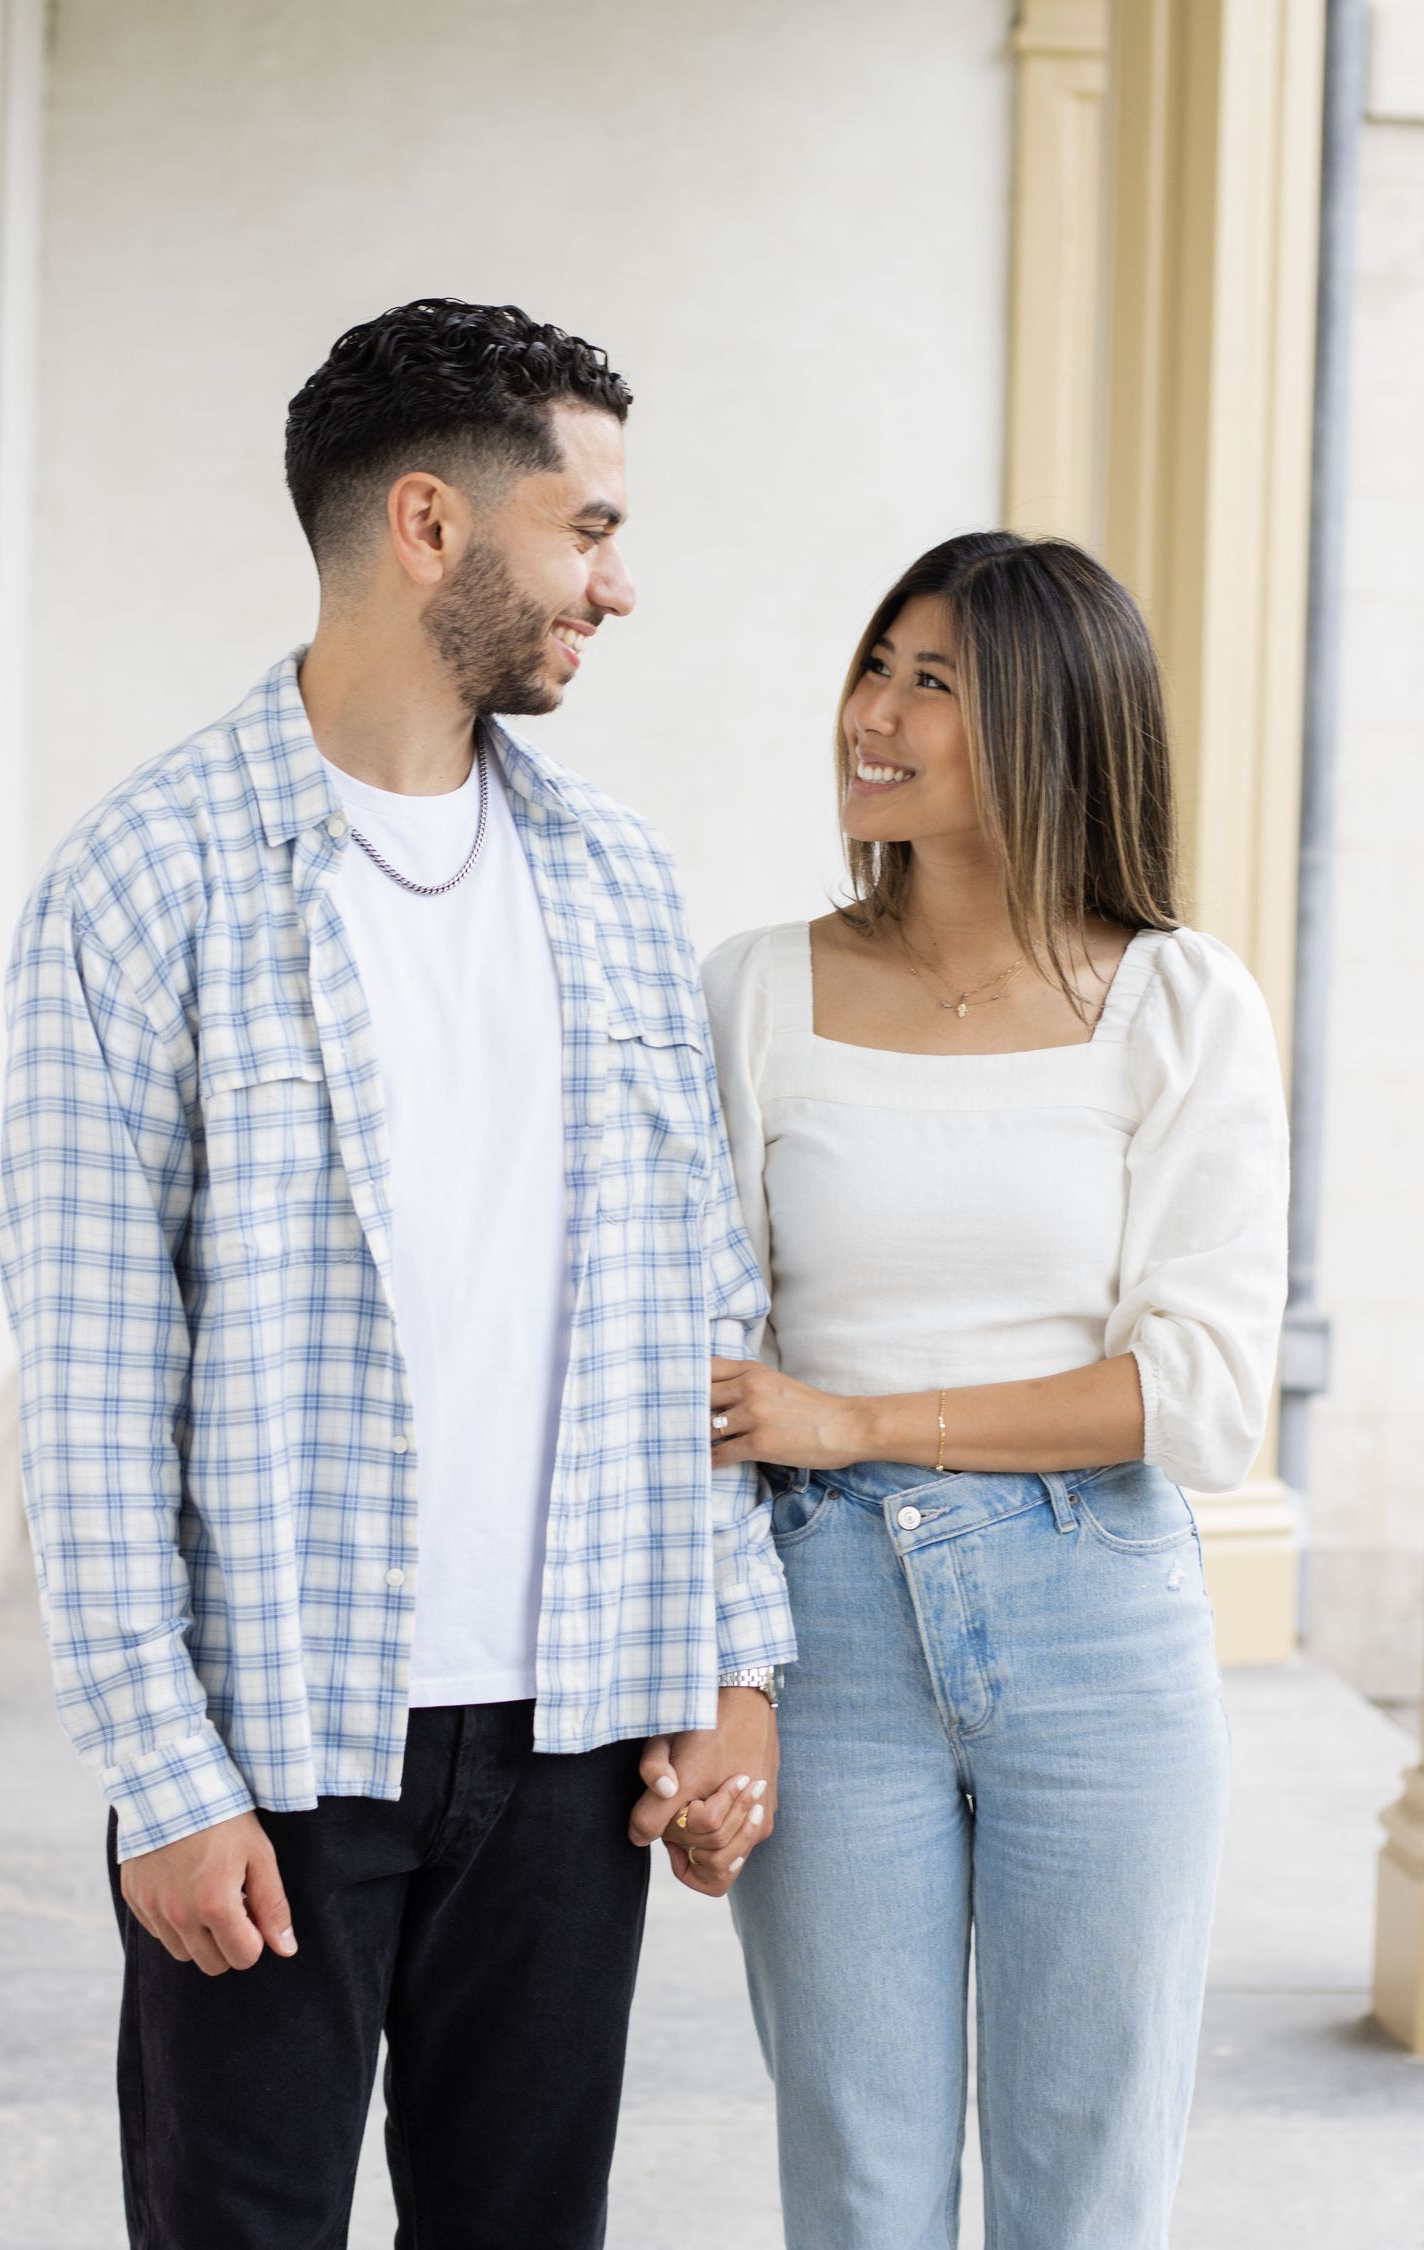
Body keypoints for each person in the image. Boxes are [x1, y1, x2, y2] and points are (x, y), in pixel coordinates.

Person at [0, 297, 790, 2250]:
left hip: (578, 1725)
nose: (620, 584)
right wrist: (163, 1779)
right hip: (276, 1745)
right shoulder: (142, 880)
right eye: (586, 526)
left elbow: (700, 1304)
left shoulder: (614, 879)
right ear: (429, 523)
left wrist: (733, 1651)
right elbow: (97, 1381)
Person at [701, 531, 1290, 2250]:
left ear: (1045, 721)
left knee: (1086, 2192)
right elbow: (704, 1367)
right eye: (874, 664)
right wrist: (722, 1671)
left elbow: (1196, 1395)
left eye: (931, 683)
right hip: (826, 1628)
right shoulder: (757, 991)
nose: (870, 715)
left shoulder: (1179, 1005)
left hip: (1097, 1619)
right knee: (859, 2181)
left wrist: (861, 1416)